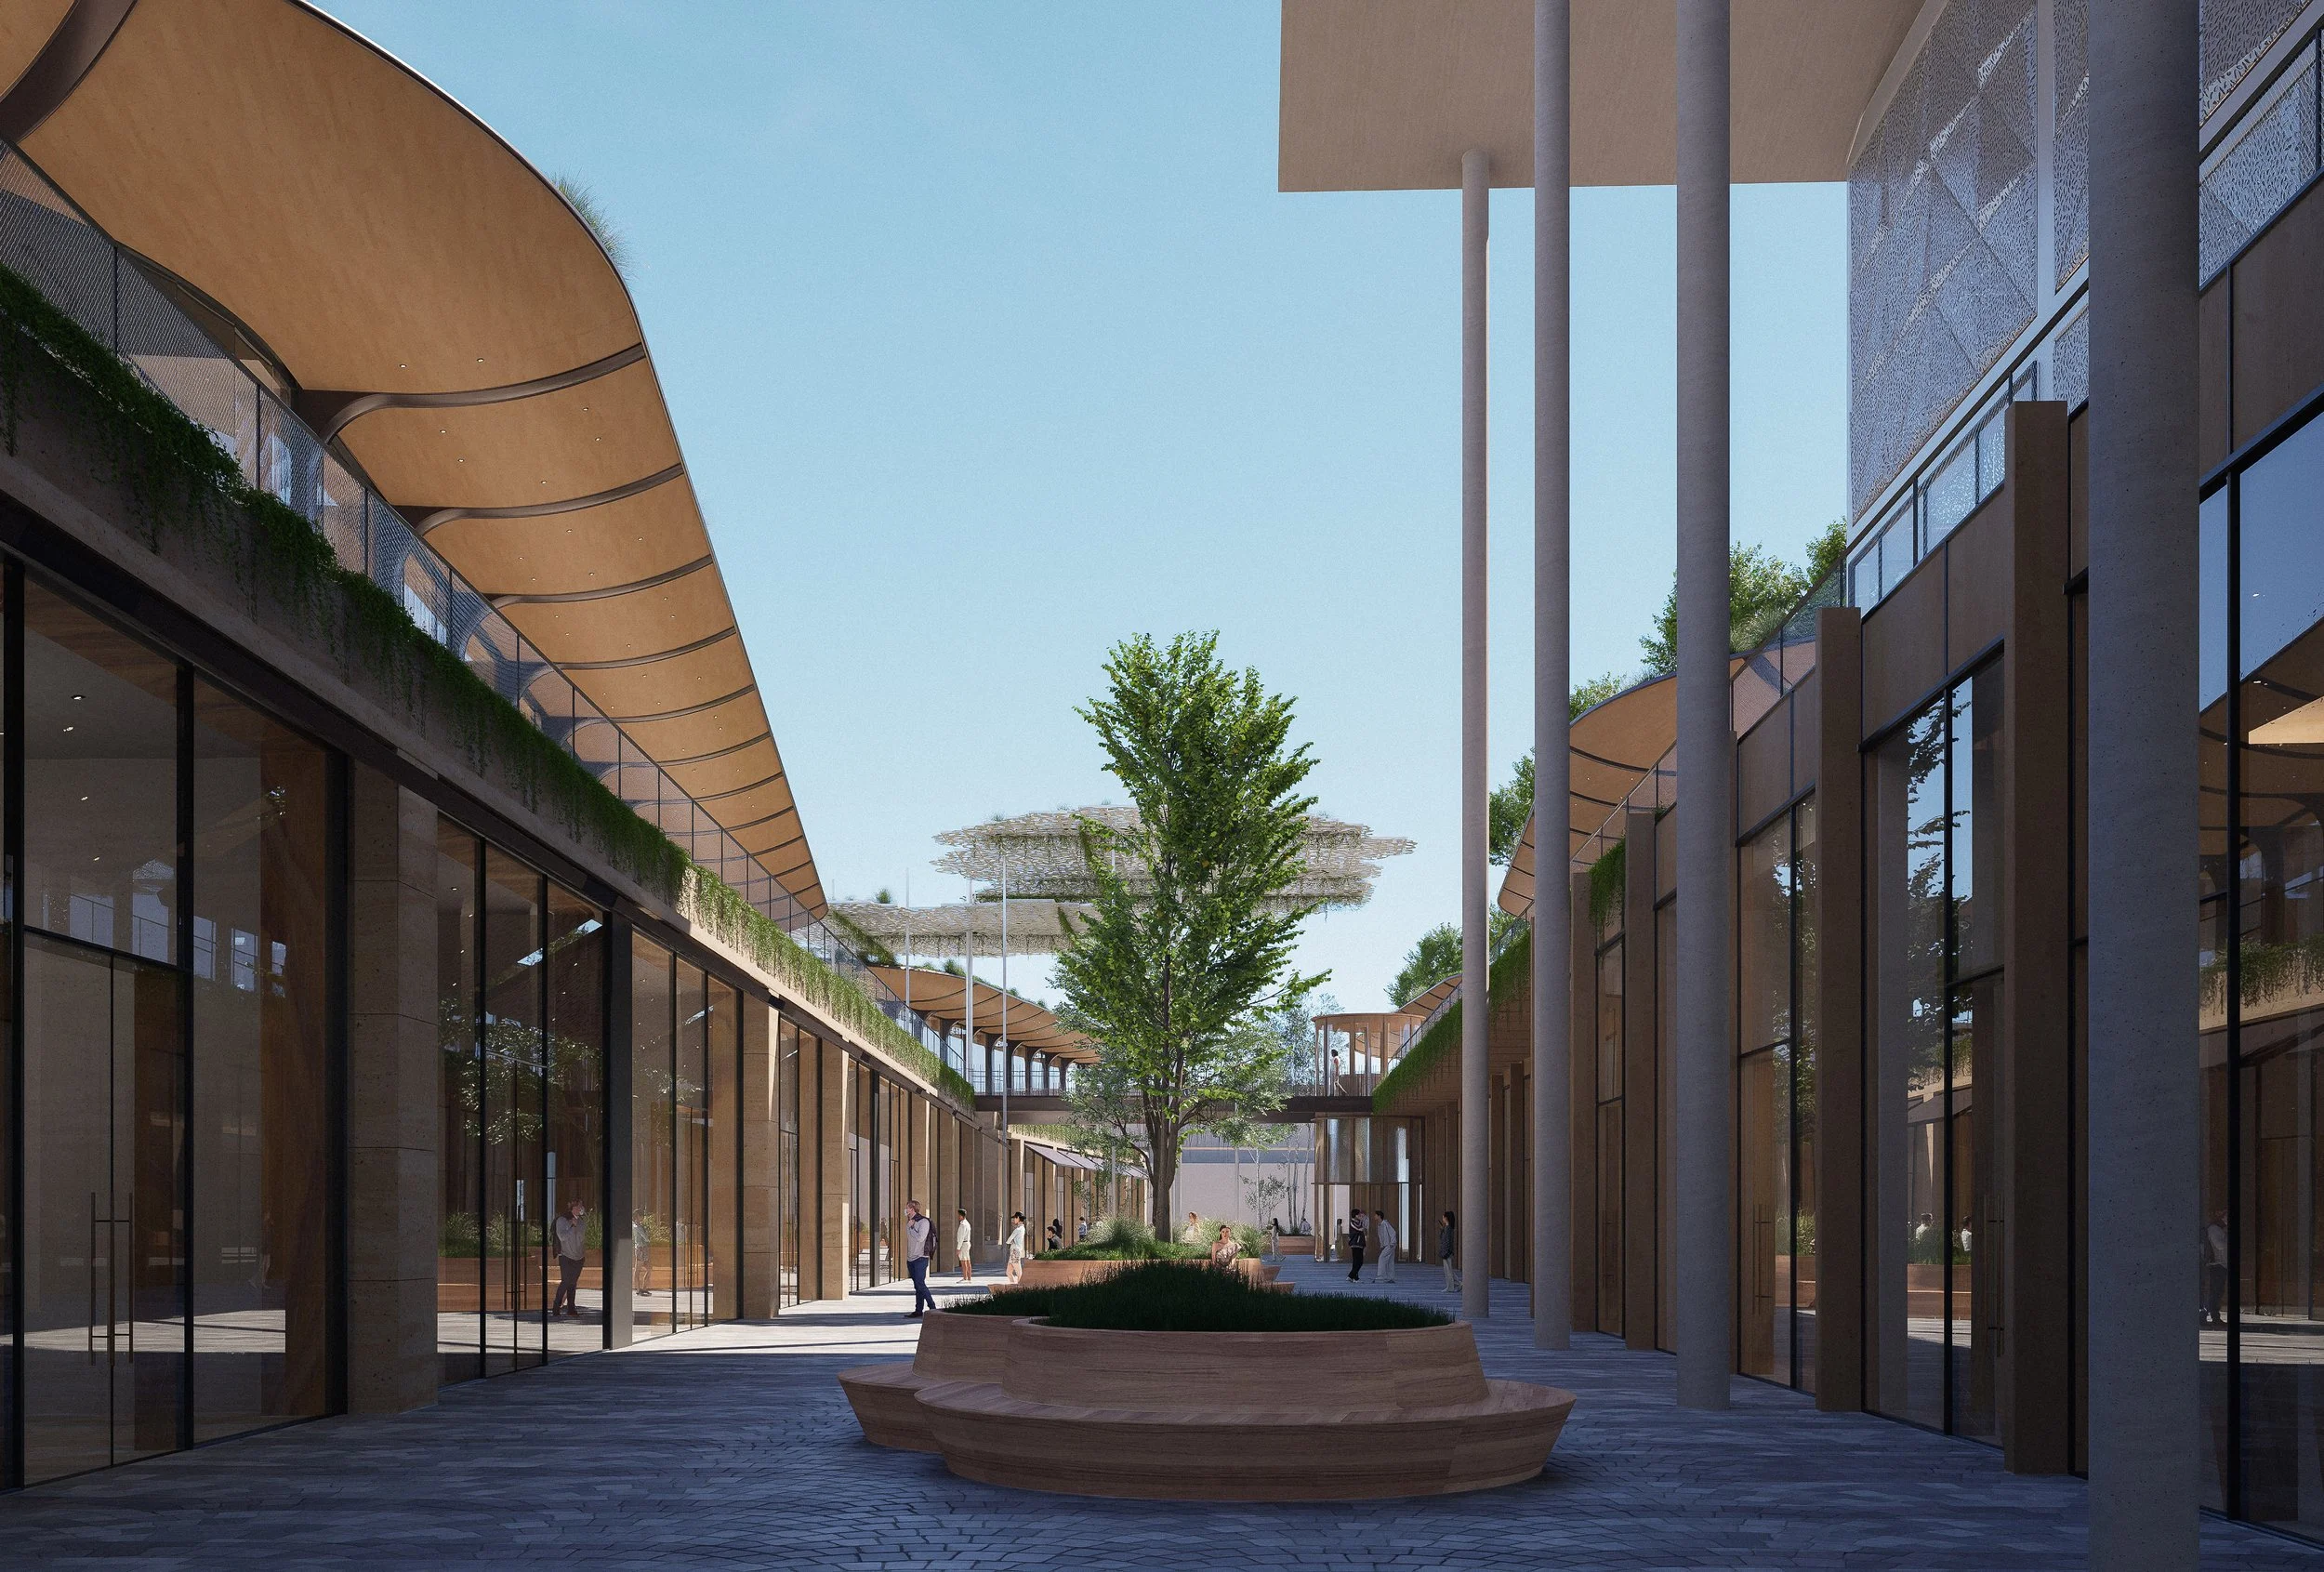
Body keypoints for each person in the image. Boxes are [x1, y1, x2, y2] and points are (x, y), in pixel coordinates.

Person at [550, 1199, 588, 1317]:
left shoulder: (581, 1222)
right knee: (566, 1281)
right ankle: (556, 1305)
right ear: (573, 1207)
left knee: (573, 1283)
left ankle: (571, 1308)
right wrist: (572, 1226)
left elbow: (582, 1237)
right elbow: (562, 1237)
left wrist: (577, 1226)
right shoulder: (562, 1220)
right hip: (566, 1255)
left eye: (581, 1206)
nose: (581, 1208)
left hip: (579, 1256)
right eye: (579, 1206)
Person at [903, 1200, 936, 1318]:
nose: (905, 1210)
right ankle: (918, 1310)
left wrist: (912, 1228)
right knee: (917, 1285)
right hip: (911, 1258)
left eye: (907, 1208)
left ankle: (932, 1307)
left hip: (921, 1257)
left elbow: (921, 1238)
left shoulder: (923, 1222)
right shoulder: (909, 1222)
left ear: (912, 1209)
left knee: (920, 1284)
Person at [2203, 1209, 2230, 1327]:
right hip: (2216, 1265)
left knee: (2218, 1291)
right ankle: (2211, 1316)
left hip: (2222, 1264)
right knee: (2215, 1291)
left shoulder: (2219, 1229)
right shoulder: (2214, 1229)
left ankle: (2213, 1315)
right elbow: (2220, 1246)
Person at [1372, 1209, 1397, 1283]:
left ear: (1379, 1216)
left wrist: (1392, 1243)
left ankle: (1381, 1276)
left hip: (1390, 1245)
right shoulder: (1379, 1225)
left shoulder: (1385, 1224)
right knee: (1389, 1261)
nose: (1374, 1216)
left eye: (1375, 1215)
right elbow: (1381, 1236)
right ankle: (1390, 1277)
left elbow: (1393, 1233)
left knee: (1382, 1258)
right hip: (1386, 1245)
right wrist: (1382, 1245)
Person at [1439, 1209, 1460, 1295]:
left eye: (1443, 1217)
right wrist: (1442, 1230)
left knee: (1448, 1270)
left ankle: (1451, 1287)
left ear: (1446, 1218)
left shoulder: (1448, 1229)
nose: (1442, 1219)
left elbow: (1447, 1241)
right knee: (1449, 1269)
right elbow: (1442, 1238)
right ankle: (1457, 1284)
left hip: (1447, 1252)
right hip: (1447, 1252)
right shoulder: (1448, 1228)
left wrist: (1446, 1252)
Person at [1005, 1211, 1028, 1285]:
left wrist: (1011, 1242)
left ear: (1018, 1218)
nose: (1014, 1220)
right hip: (1014, 1250)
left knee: (1018, 1270)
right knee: (1008, 1272)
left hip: (1015, 1251)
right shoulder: (1022, 1228)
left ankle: (1020, 1285)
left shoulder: (1018, 1229)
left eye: (1015, 1218)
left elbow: (1008, 1240)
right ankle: (1014, 1285)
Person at [955, 1209, 975, 1285]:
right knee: (967, 1260)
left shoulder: (963, 1225)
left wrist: (958, 1248)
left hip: (963, 1244)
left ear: (961, 1215)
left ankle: (965, 1277)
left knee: (964, 1261)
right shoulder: (967, 1223)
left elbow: (961, 1237)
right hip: (966, 1243)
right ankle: (968, 1277)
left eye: (958, 1215)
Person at [1346, 1211, 1367, 1282]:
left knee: (1358, 1261)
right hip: (1355, 1244)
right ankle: (1351, 1276)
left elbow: (1364, 1229)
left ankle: (1354, 1277)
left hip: (1360, 1244)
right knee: (1357, 1261)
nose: (1360, 1216)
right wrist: (1362, 1221)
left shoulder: (1359, 1222)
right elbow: (1360, 1228)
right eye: (1358, 1214)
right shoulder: (1352, 1223)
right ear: (1355, 1215)